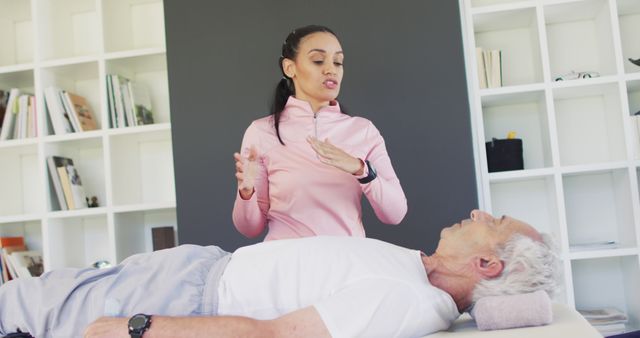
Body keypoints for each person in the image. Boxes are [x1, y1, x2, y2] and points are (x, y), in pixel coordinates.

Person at [0, 210, 558, 338]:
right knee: (25, 296)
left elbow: (278, 336)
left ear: (487, 264)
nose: (480, 213)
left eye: (495, 221)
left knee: (21, 309)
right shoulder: (416, 270)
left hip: (183, 297)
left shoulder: (406, 301)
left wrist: (138, 329)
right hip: (193, 270)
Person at [232, 25, 407, 240]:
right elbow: (249, 229)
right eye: (318, 60)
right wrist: (246, 193)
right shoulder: (261, 132)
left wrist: (361, 169)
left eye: (338, 62)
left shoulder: (363, 131)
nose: (331, 69)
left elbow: (395, 214)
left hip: (347, 263)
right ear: (289, 68)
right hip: (287, 262)